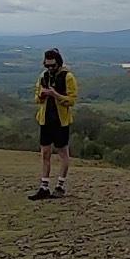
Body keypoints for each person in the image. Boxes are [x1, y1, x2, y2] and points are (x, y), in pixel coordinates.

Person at [29, 48, 78, 200]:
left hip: (61, 121)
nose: (50, 68)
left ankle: (60, 186)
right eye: (47, 65)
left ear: (59, 63)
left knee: (63, 153)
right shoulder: (43, 76)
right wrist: (42, 95)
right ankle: (44, 187)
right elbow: (37, 99)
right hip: (45, 120)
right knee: (45, 153)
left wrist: (55, 94)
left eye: (53, 65)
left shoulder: (68, 77)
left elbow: (72, 100)